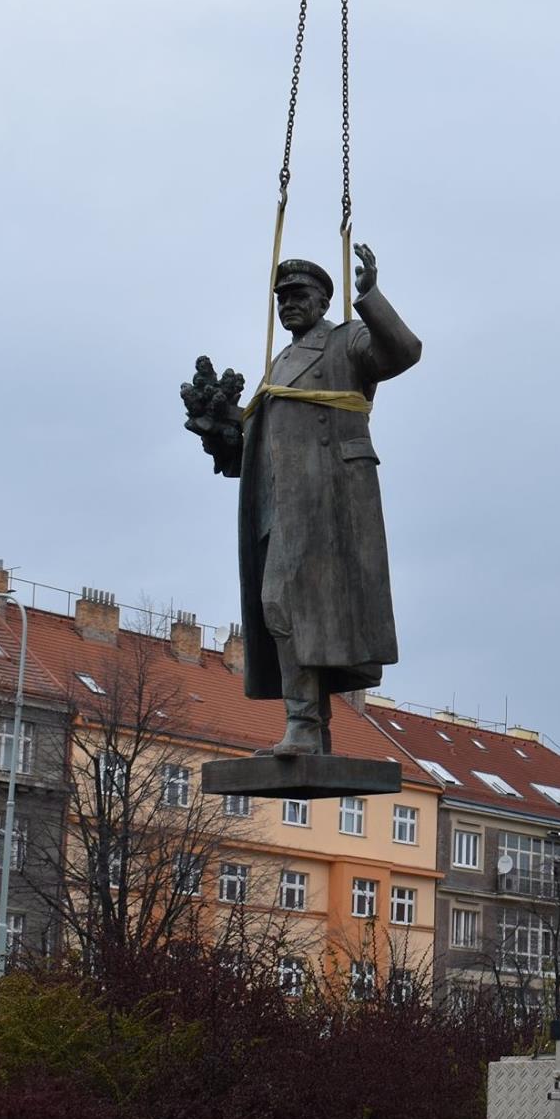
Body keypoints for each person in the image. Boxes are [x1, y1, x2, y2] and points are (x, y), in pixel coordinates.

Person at [184, 247, 423, 754]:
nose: (288, 305)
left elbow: (402, 352)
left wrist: (369, 297)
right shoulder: (281, 361)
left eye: (298, 296)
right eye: (281, 298)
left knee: (298, 608)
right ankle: (307, 724)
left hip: (329, 500)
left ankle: (307, 726)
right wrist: (221, 433)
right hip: (282, 505)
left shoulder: (346, 340)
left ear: (322, 300)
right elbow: (259, 448)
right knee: (282, 608)